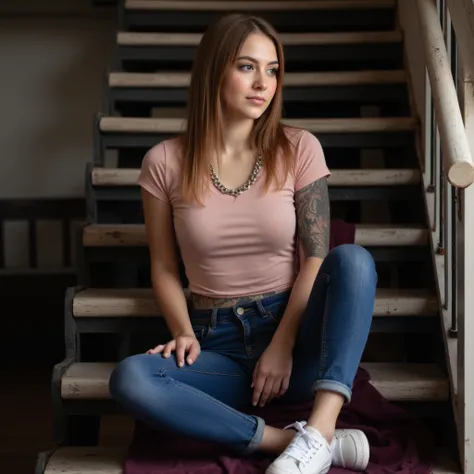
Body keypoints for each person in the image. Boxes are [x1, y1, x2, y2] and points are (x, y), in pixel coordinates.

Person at [109, 13, 377, 474]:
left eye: (272, 69)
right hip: (220, 344)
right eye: (247, 67)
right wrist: (184, 333)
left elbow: (315, 255)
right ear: (215, 70)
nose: (263, 83)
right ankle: (295, 443)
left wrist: (283, 343)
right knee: (132, 378)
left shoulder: (299, 148)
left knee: (352, 260)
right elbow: (164, 268)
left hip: (296, 337)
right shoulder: (163, 162)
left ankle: (322, 427)